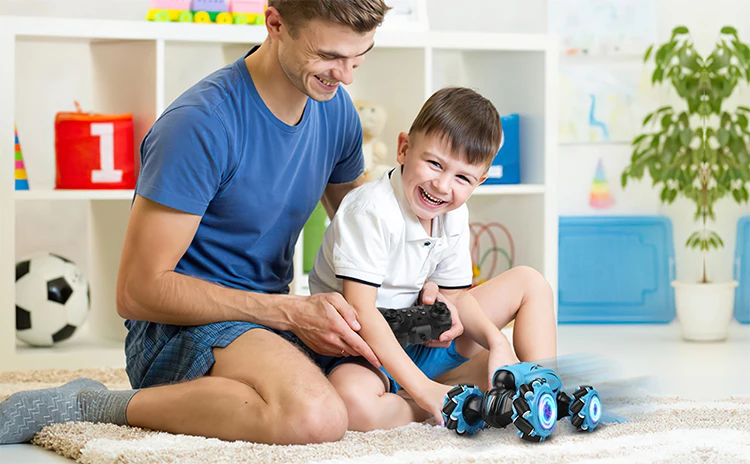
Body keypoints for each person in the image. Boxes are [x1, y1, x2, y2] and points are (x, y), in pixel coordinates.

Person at [0, 0, 392, 446]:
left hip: (270, 323)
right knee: (316, 417)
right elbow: (137, 292)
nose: (346, 76)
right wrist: (289, 311)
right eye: (329, 56)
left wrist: (437, 281)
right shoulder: (201, 123)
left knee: (426, 365)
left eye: (359, 57)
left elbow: (365, 230)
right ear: (275, 23)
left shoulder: (335, 110)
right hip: (178, 329)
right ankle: (89, 405)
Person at [308, 87, 558, 431]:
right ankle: (443, 400)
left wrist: (496, 340)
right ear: (403, 149)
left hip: (420, 335)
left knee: (530, 282)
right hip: (363, 351)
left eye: (462, 178)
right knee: (353, 406)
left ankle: (541, 389)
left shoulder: (453, 213)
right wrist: (424, 390)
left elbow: (458, 297)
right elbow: (362, 312)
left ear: (479, 182)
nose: (442, 186)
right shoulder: (370, 210)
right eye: (434, 164)